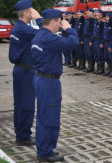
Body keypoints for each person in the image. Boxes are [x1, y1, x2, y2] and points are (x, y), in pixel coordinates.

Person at [31, 9, 78, 162]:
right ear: (53, 22)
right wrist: (69, 28)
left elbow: (41, 24)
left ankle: (43, 149)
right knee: (50, 117)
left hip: (41, 79)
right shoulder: (48, 38)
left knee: (43, 116)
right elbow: (73, 42)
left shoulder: (40, 34)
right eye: (59, 21)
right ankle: (45, 153)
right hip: (49, 82)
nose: (60, 24)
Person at [9, 0, 42, 146]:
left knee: (20, 103)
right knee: (26, 105)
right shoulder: (24, 29)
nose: (33, 11)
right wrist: (39, 18)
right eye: (32, 10)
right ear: (26, 13)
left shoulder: (19, 27)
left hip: (21, 69)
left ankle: (21, 134)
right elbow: (44, 34)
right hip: (26, 70)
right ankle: (23, 136)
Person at [102, 12, 112, 77]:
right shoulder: (106, 25)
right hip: (106, 42)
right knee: (107, 57)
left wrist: (111, 45)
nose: (106, 18)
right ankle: (109, 70)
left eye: (108, 17)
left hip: (110, 43)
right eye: (106, 17)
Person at [92, 10, 105, 75]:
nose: (96, 16)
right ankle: (98, 68)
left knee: (100, 55)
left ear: (101, 15)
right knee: (96, 55)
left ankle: (101, 69)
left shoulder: (102, 23)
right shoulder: (96, 22)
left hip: (99, 40)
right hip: (95, 40)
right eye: (96, 15)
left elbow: (103, 34)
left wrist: (102, 42)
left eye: (98, 15)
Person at [83, 8, 96, 73]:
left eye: (89, 12)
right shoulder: (87, 20)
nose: (87, 13)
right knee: (86, 53)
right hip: (86, 38)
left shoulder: (92, 20)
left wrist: (91, 40)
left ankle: (91, 67)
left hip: (89, 38)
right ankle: (88, 66)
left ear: (92, 13)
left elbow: (93, 31)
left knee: (90, 53)